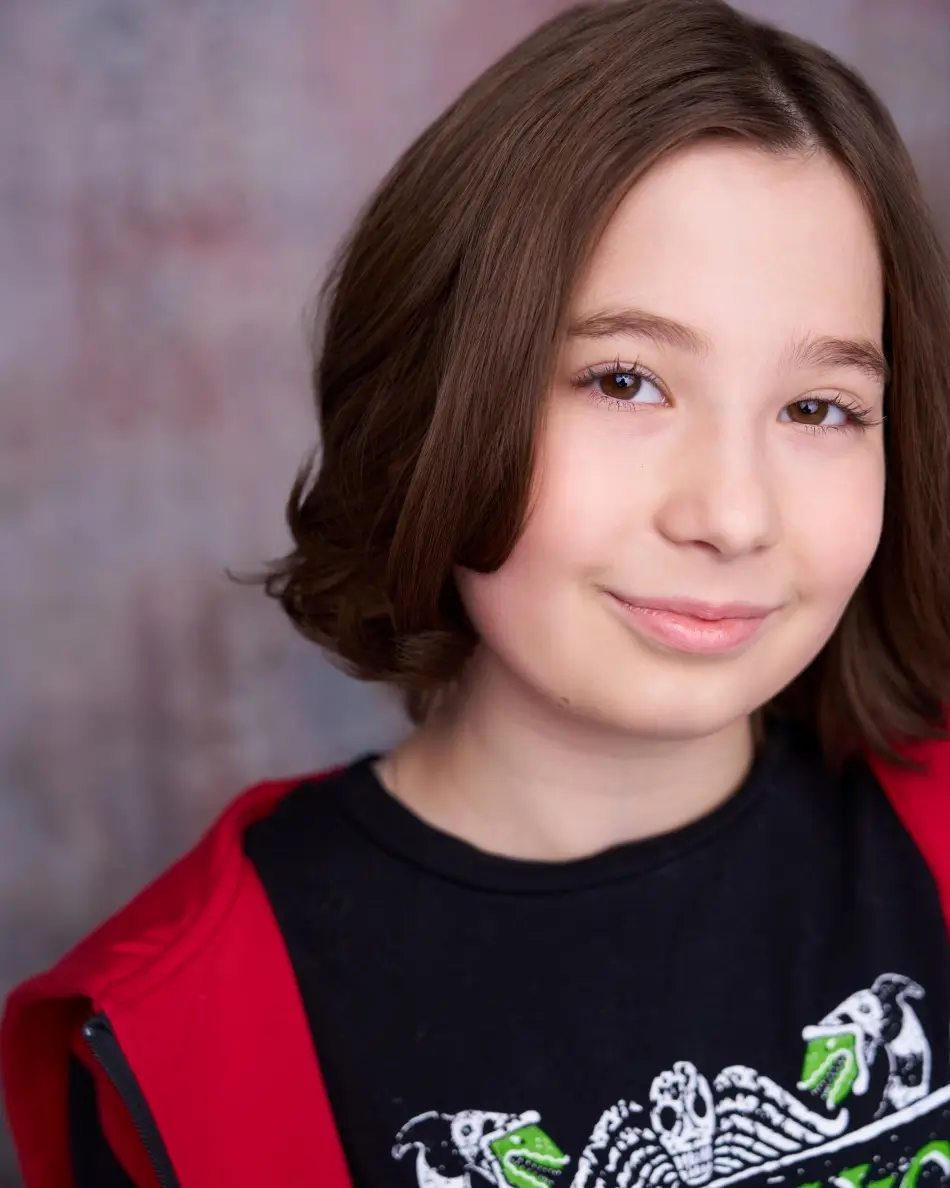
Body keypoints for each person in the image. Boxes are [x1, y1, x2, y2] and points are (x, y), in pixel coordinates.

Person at [5, 0, 950, 1185]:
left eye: (817, 409)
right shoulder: (176, 1025)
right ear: (432, 398)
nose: (729, 516)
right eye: (623, 380)